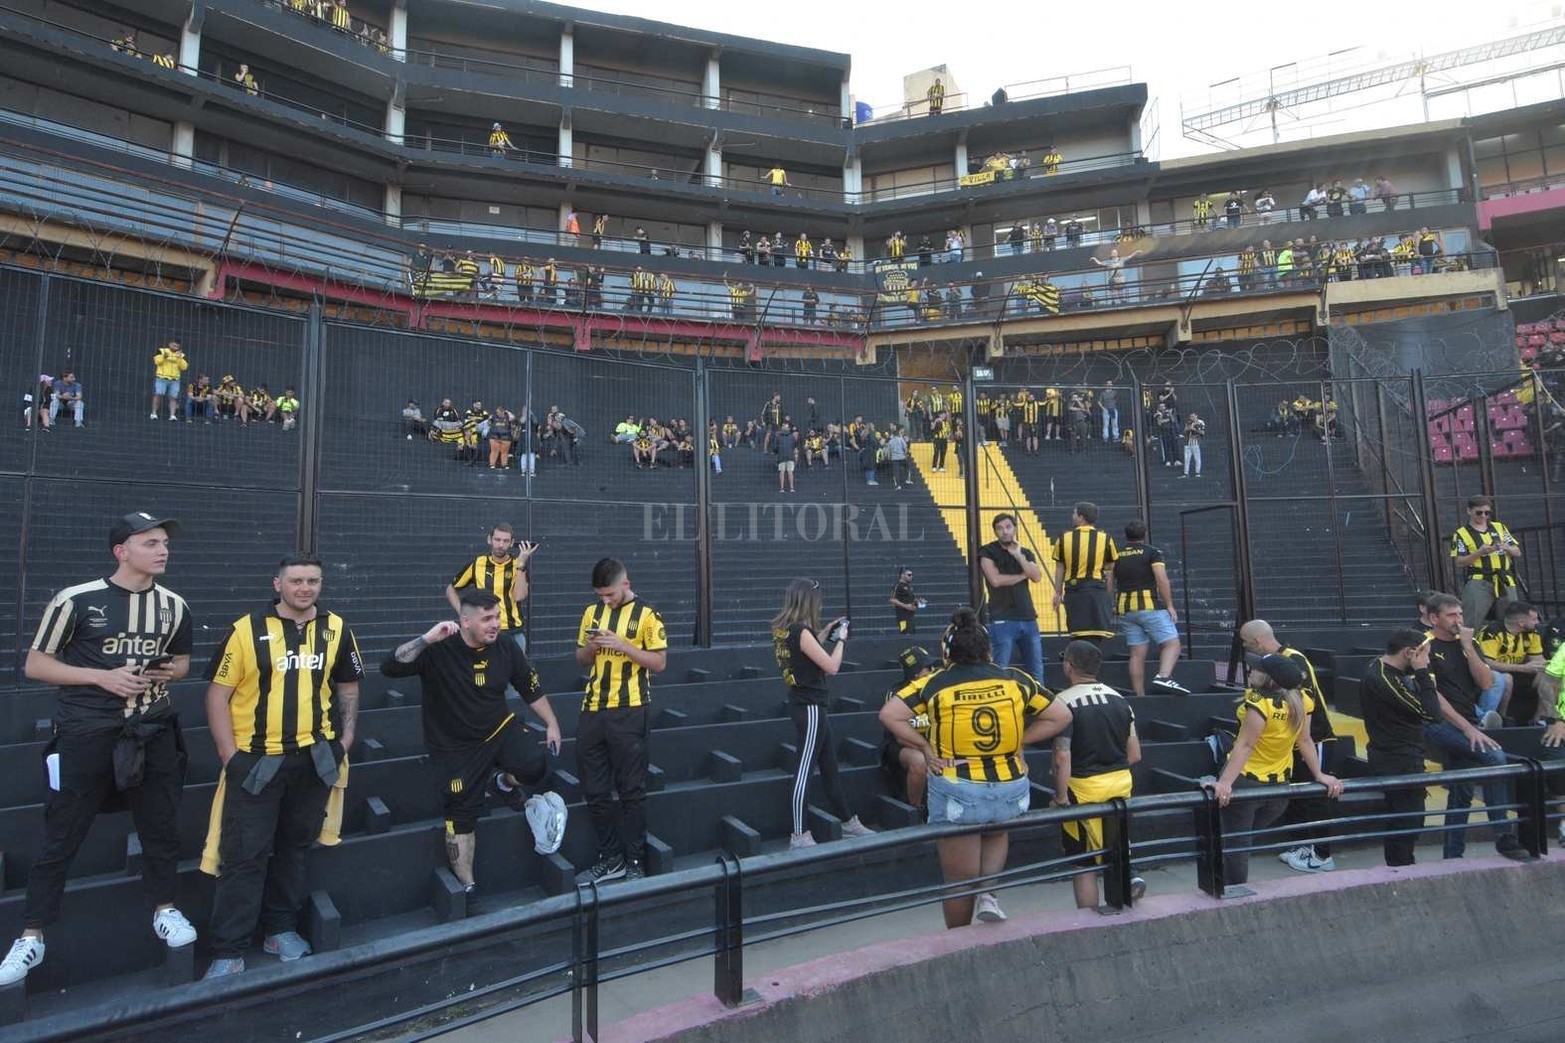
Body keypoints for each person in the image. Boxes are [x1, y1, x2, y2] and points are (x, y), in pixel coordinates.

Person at [0, 513, 196, 987]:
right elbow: (35, 665)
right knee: (62, 833)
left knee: (161, 826)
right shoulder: (76, 599)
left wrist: (164, 673)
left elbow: (185, 663)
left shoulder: (174, 605)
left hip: (151, 729)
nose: (162, 549)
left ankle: (165, 909)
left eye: (164, 542)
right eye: (150, 542)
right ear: (121, 551)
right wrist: (102, 676)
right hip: (87, 731)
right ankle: (31, 935)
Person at [200, 554, 364, 977]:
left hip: (313, 760)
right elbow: (217, 695)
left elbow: (347, 685)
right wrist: (228, 755)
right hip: (257, 761)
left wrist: (344, 740)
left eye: (312, 580)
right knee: (243, 855)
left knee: (294, 848)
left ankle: (280, 930)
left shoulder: (338, 629)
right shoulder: (245, 629)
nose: (304, 588)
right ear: (278, 584)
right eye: (296, 581)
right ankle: (228, 951)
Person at [880, 609, 1071, 927]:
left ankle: (959, 943)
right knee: (996, 827)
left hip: (959, 788)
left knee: (957, 882)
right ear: (988, 650)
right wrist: (1018, 741)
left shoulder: (933, 683)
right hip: (1010, 788)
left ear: (948, 653)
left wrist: (926, 749)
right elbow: (1061, 716)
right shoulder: (1014, 678)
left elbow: (889, 715)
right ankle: (989, 892)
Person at [382, 591, 566, 905]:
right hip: (454, 747)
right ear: (464, 621)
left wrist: (552, 723)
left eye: (497, 617)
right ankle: (467, 885)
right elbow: (390, 667)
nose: (495, 624)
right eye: (487, 619)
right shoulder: (438, 649)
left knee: (536, 764)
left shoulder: (506, 646)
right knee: (461, 814)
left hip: (498, 728)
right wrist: (426, 639)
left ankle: (502, 782)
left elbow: (529, 687)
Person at [1208, 653, 1343, 886]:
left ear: (1270, 678)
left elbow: (1246, 744)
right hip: (1279, 788)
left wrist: (1226, 782)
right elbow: (1305, 741)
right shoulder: (1303, 700)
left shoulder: (1260, 703)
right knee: (1241, 840)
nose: (1251, 672)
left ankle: (1234, 894)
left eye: (1257, 669)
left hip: (1245, 782)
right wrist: (1319, 775)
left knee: (1236, 845)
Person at [573, 558, 667, 883]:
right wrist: (592, 646)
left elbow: (659, 663)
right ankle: (610, 858)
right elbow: (580, 660)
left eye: (610, 595)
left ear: (625, 584)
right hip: (593, 709)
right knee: (595, 790)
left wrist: (623, 646)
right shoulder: (592, 613)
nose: (605, 601)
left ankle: (635, 862)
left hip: (630, 710)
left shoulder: (648, 615)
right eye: (600, 596)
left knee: (631, 791)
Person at [1421, 593, 1527, 859]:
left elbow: (1486, 683)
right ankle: (1503, 834)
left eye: (1460, 614)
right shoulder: (1426, 646)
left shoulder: (1470, 642)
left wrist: (1468, 647)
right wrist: (1469, 730)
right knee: (1495, 756)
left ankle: (1452, 855)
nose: (1459, 620)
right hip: (1438, 723)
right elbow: (1433, 696)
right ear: (1434, 618)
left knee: (1461, 789)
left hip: (1467, 719)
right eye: (1452, 615)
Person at [773, 580, 876, 848]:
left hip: (804, 703)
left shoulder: (785, 629)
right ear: (809, 601)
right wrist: (840, 640)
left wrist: (824, 634)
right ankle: (799, 834)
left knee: (829, 765)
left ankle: (847, 821)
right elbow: (831, 666)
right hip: (810, 705)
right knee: (804, 769)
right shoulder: (802, 632)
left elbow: (803, 651)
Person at [1239, 620, 1338, 874]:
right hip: (1290, 740)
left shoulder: (1294, 659)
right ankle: (1302, 845)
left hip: (1311, 737)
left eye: (1246, 642)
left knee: (1316, 793)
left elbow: (1302, 702)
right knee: (1298, 796)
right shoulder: (1274, 663)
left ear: (1258, 641)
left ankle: (1322, 853)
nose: (1244, 646)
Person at [1051, 641, 1144, 908]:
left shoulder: (1063, 702)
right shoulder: (1120, 700)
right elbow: (1135, 754)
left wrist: (1060, 796)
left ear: (1068, 666)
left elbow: (1062, 755)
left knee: (1084, 866)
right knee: (1117, 851)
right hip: (1120, 785)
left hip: (1081, 789)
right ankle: (1126, 894)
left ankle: (1089, 923)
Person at [1361, 628, 1441, 866]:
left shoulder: (1382, 667)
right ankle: (1401, 869)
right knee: (1407, 820)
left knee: (1410, 818)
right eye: (1424, 654)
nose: (1428, 659)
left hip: (1406, 753)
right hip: (1396, 759)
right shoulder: (1384, 678)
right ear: (1409, 653)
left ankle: (1404, 864)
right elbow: (1431, 713)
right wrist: (1423, 672)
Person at [1110, 521, 1188, 695]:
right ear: (1144, 535)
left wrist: (1112, 604)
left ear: (1125, 535)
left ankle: (1140, 695)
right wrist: (1169, 605)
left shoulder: (1116, 554)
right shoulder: (1152, 552)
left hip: (1125, 609)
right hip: (1149, 606)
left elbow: (1109, 582)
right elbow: (1161, 579)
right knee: (1172, 644)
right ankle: (1163, 676)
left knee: (1137, 654)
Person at [446, 524, 534, 653]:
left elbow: (519, 596)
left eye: (505, 541)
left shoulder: (517, 565)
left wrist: (521, 565)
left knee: (516, 672)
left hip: (512, 632)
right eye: (497, 539)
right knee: (484, 672)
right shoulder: (477, 564)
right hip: (483, 631)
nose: (500, 544)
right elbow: (451, 589)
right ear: (489, 539)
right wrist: (463, 613)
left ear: (511, 543)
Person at [979, 513, 1044, 681]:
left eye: (1008, 527)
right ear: (994, 531)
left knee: (1036, 671)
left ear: (1015, 528)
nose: (1005, 532)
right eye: (999, 528)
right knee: (999, 669)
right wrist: (1023, 576)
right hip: (1003, 618)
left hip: (1028, 617)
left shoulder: (1026, 552)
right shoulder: (987, 551)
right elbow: (995, 580)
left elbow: (1036, 577)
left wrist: (1018, 556)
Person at [882, 647, 942, 814]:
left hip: (931, 743)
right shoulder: (896, 694)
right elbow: (900, 736)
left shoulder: (936, 689)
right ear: (915, 673)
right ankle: (915, 809)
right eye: (927, 668)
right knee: (919, 761)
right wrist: (929, 752)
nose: (932, 670)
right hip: (901, 745)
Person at [1052, 502, 1118, 646]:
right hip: (1097, 590)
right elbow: (1111, 565)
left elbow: (1060, 568)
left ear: (1081, 517)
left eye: (1074, 513)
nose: (1072, 516)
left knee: (1078, 634)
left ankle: (1078, 662)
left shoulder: (1064, 538)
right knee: (1096, 635)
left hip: (1074, 590)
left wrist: (1057, 592)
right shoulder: (1106, 538)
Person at [1450, 495, 1521, 625]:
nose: (1483, 516)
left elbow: (1517, 552)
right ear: (1469, 511)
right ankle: (1468, 645)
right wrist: (1480, 552)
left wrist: (1506, 547)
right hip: (1479, 580)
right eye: (1479, 512)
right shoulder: (1461, 533)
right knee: (1472, 621)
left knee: (1513, 620)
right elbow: (1459, 562)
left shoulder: (1499, 527)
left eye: (1487, 513)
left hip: (1504, 579)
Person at [1478, 601, 1546, 725]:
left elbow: (1538, 660)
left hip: (1519, 672)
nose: (1537, 622)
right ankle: (1502, 718)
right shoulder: (1491, 633)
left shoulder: (1532, 632)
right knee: (1507, 679)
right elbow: (1487, 663)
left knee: (1548, 675)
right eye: (1534, 619)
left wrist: (1551, 667)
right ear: (1521, 622)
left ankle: (1539, 720)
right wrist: (1523, 668)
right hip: (1491, 673)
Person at [151, 339, 187, 421]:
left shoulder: (181, 355)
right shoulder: (161, 351)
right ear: (169, 344)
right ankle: (153, 413)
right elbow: (157, 362)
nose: (176, 347)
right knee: (158, 395)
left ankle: (172, 415)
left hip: (175, 380)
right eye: (174, 345)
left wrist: (179, 359)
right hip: (161, 378)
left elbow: (184, 367)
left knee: (173, 398)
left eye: (178, 346)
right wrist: (164, 357)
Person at [889, 566, 921, 634]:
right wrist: (906, 606)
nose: (911, 576)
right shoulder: (898, 585)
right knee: (904, 633)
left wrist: (918, 601)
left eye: (912, 575)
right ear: (902, 575)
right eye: (909, 575)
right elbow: (892, 599)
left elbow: (911, 599)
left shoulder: (909, 586)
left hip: (910, 616)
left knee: (912, 633)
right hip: (902, 617)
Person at [1181, 412, 1206, 477]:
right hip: (1187, 443)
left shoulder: (1200, 422)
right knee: (1186, 459)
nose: (1191, 418)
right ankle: (1186, 473)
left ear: (1196, 416)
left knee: (1197, 458)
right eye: (1190, 416)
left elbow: (1202, 432)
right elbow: (1184, 431)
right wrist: (1187, 429)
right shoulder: (1188, 423)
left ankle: (1197, 472)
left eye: (1193, 416)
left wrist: (1194, 429)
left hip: (1196, 443)